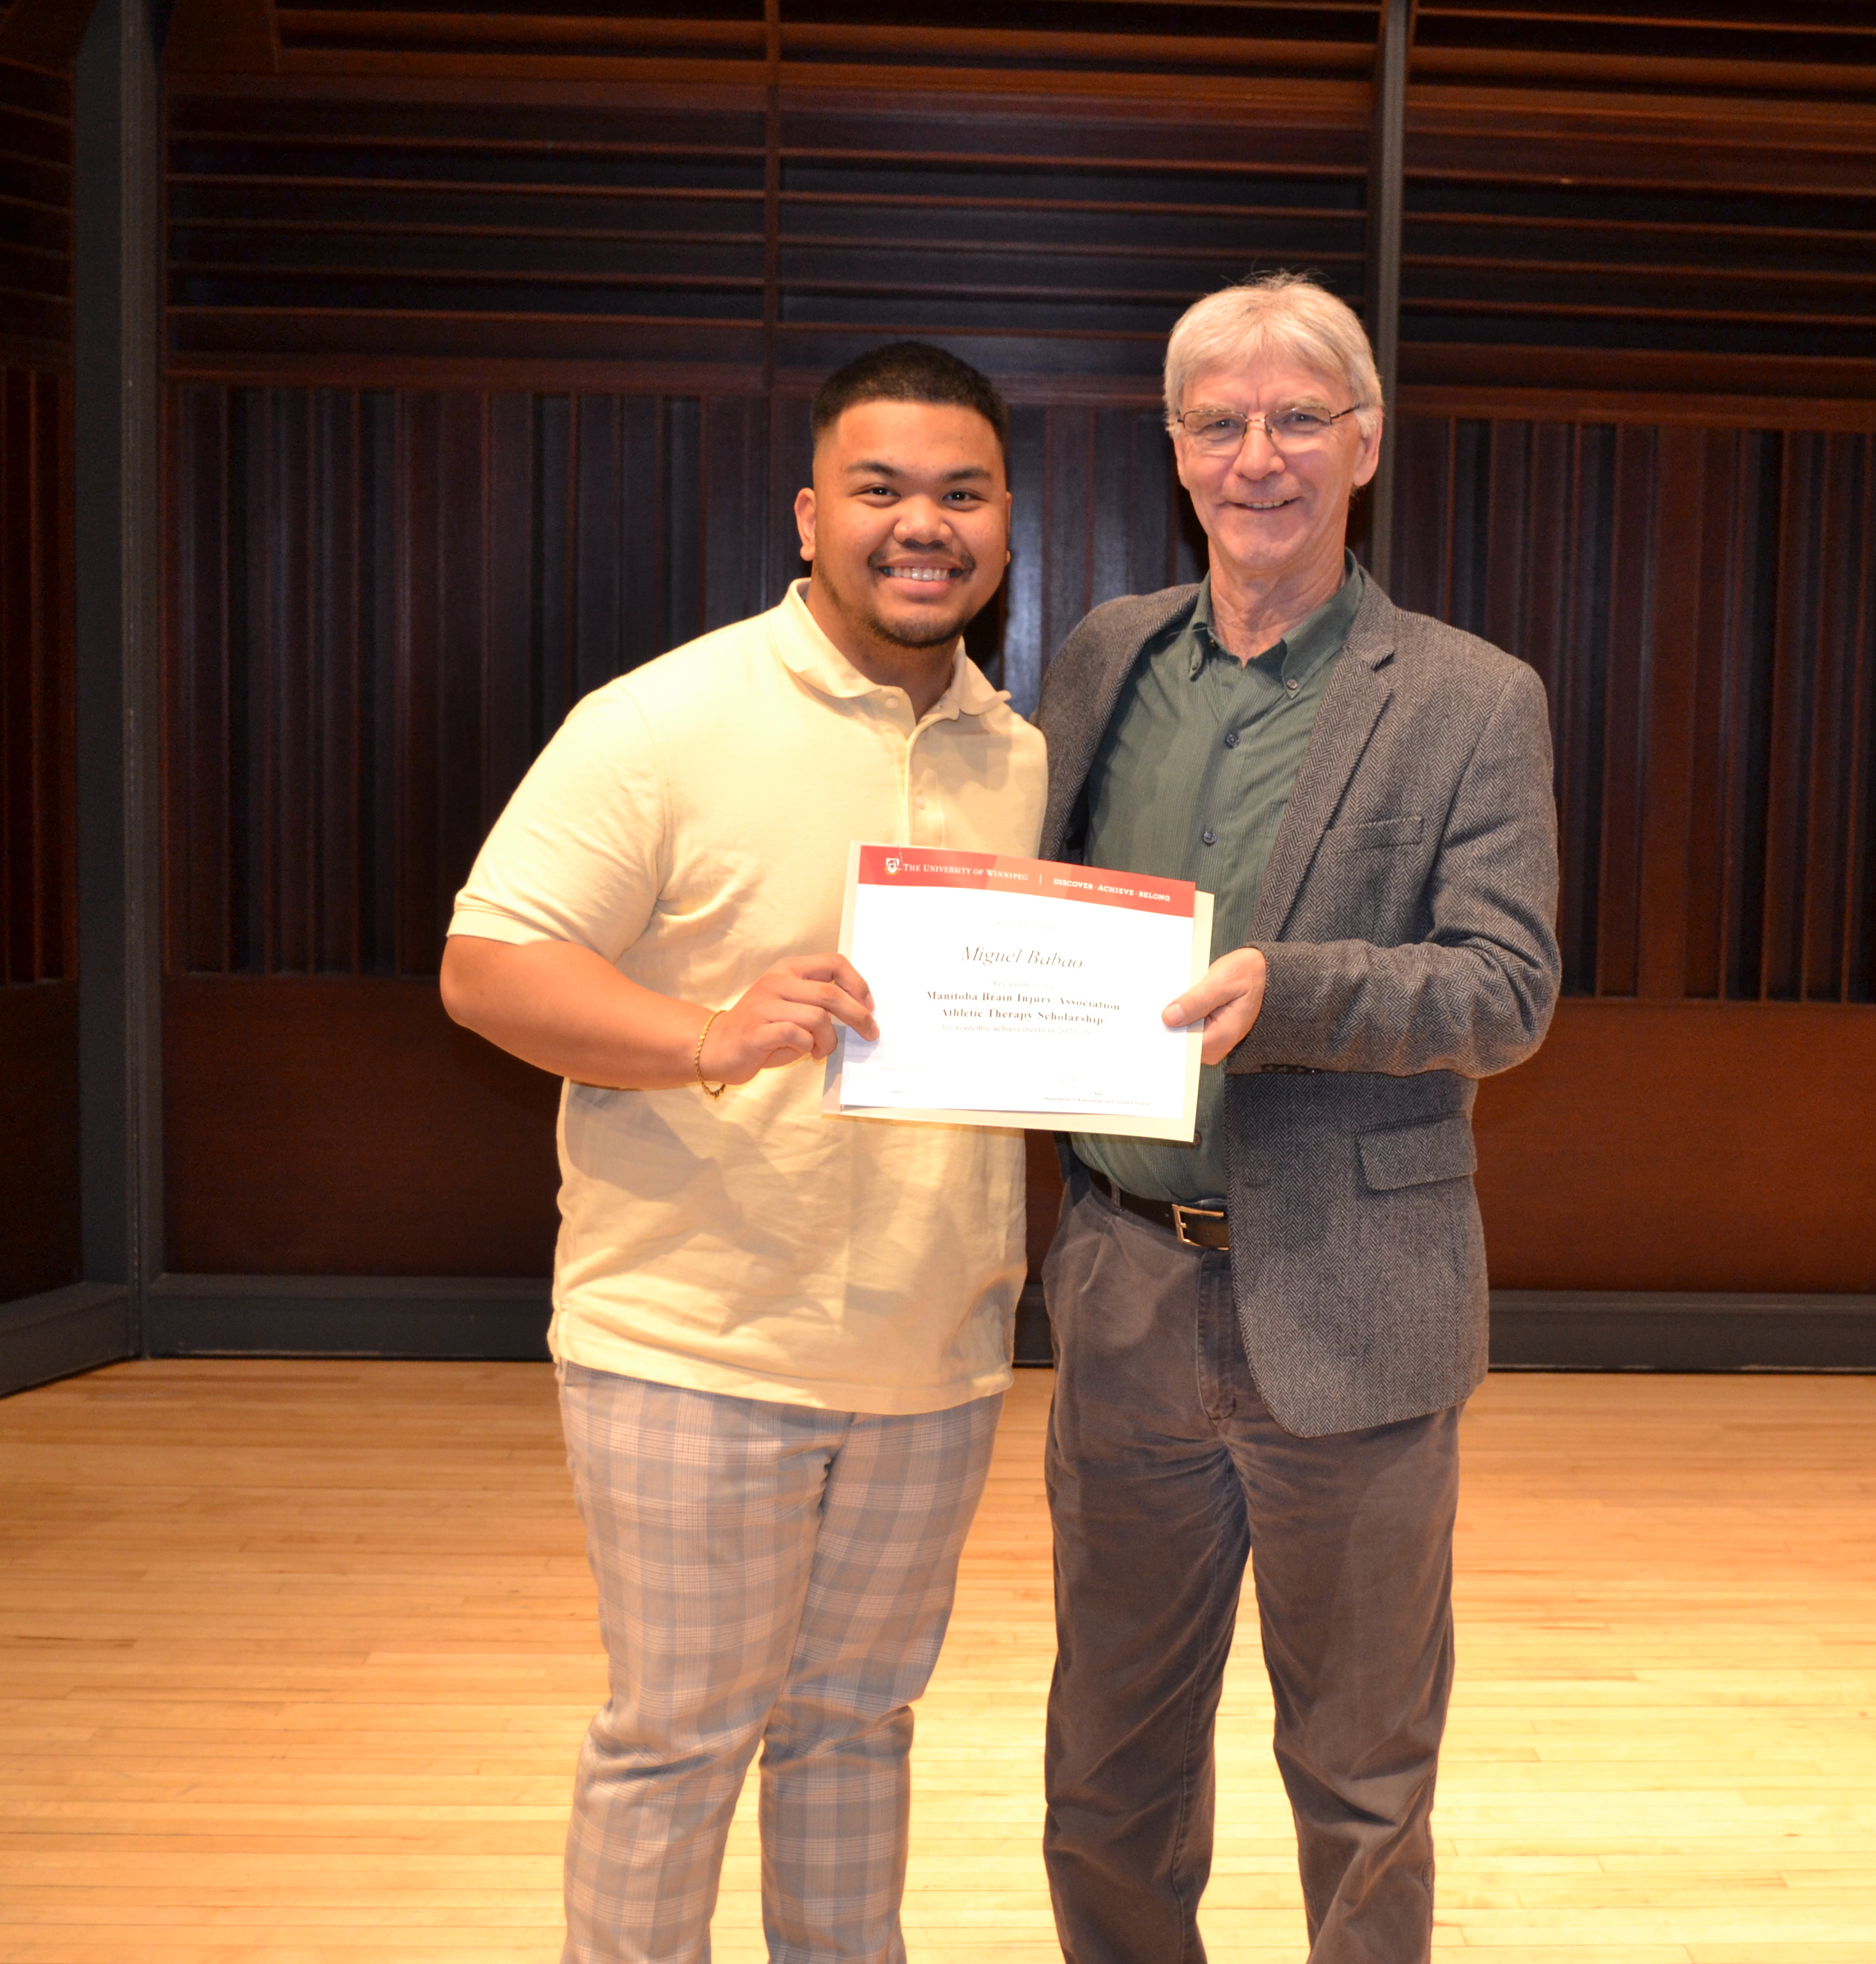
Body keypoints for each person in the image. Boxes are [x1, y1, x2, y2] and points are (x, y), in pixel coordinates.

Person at [439, 341, 1044, 1964]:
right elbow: (488, 965)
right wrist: (704, 1034)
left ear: (1004, 524)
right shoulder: (663, 719)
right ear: (809, 516)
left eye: (962, 493)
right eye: (882, 489)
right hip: (693, 1343)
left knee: (857, 1728)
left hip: (933, 1347)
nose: (924, 525)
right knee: (680, 1738)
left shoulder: (1019, 757)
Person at [1029, 270, 1563, 1962]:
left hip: (1354, 1296)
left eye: (1297, 419)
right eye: (1221, 424)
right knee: (1106, 1778)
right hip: (1125, 1293)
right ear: (1176, 452)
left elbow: (1507, 988)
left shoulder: (1476, 695)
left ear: (1366, 444)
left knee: (1362, 1785)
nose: (1260, 456)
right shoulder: (1107, 657)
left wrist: (1299, 992)